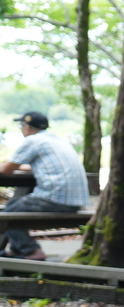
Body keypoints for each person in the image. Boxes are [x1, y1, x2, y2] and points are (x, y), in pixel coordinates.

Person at [0, 112, 88, 261]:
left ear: (27, 127)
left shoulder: (33, 140)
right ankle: (16, 249)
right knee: (15, 206)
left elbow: (5, 170)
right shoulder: (58, 140)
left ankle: (32, 251)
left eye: (21, 126)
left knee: (8, 213)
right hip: (76, 201)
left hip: (55, 199)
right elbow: (37, 166)